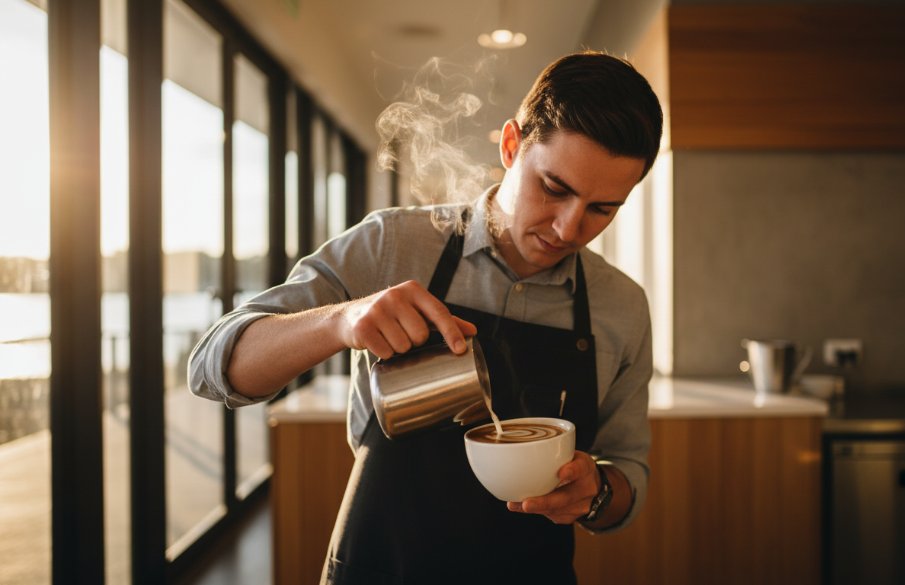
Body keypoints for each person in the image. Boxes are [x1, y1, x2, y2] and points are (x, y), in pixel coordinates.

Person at [188, 51, 662, 584]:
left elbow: (629, 476)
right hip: (379, 566)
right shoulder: (393, 243)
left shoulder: (620, 305)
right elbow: (211, 368)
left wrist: (596, 494)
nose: (569, 228)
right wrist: (342, 321)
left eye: (603, 208)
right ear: (511, 146)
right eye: (555, 189)